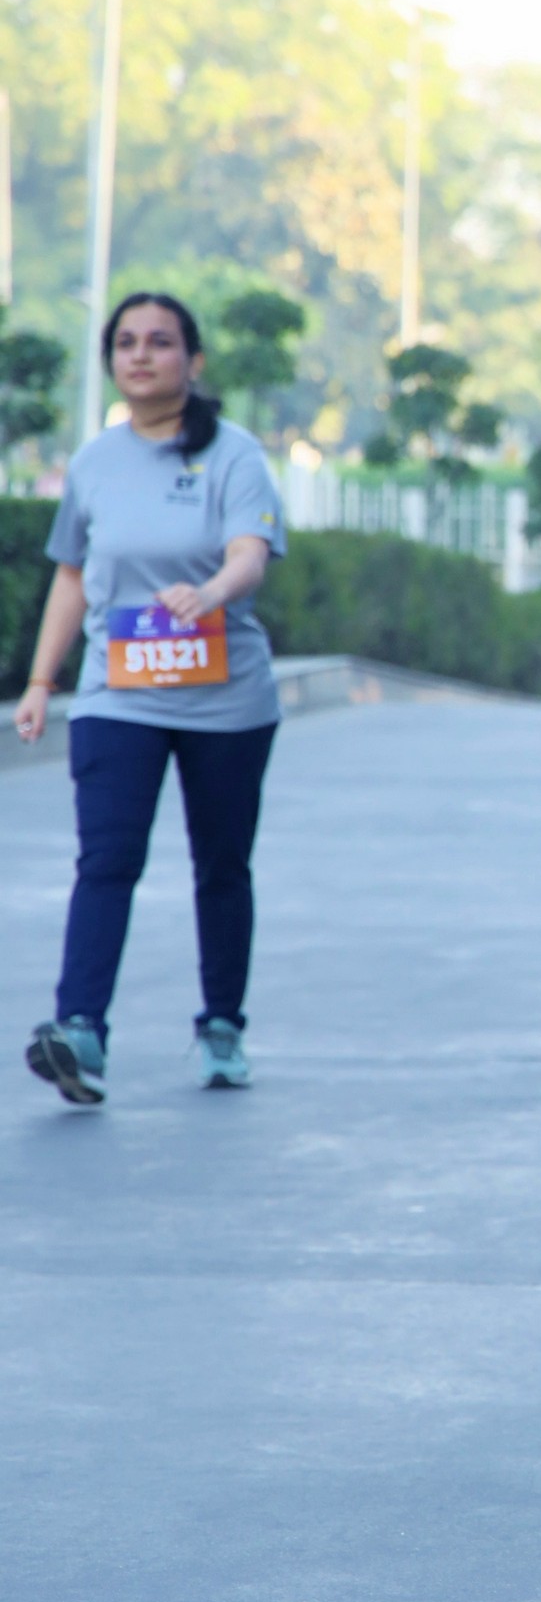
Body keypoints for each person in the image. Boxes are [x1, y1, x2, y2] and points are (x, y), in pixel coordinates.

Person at [10, 293, 285, 1104]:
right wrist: (40, 682)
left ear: (192, 361)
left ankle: (222, 1026)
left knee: (221, 865)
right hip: (118, 695)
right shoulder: (95, 461)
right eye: (125, 342)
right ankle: (80, 1030)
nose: (140, 355)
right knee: (106, 860)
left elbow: (250, 554)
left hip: (225, 701)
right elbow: (71, 575)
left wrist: (212, 592)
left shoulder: (235, 455)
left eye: (160, 342)